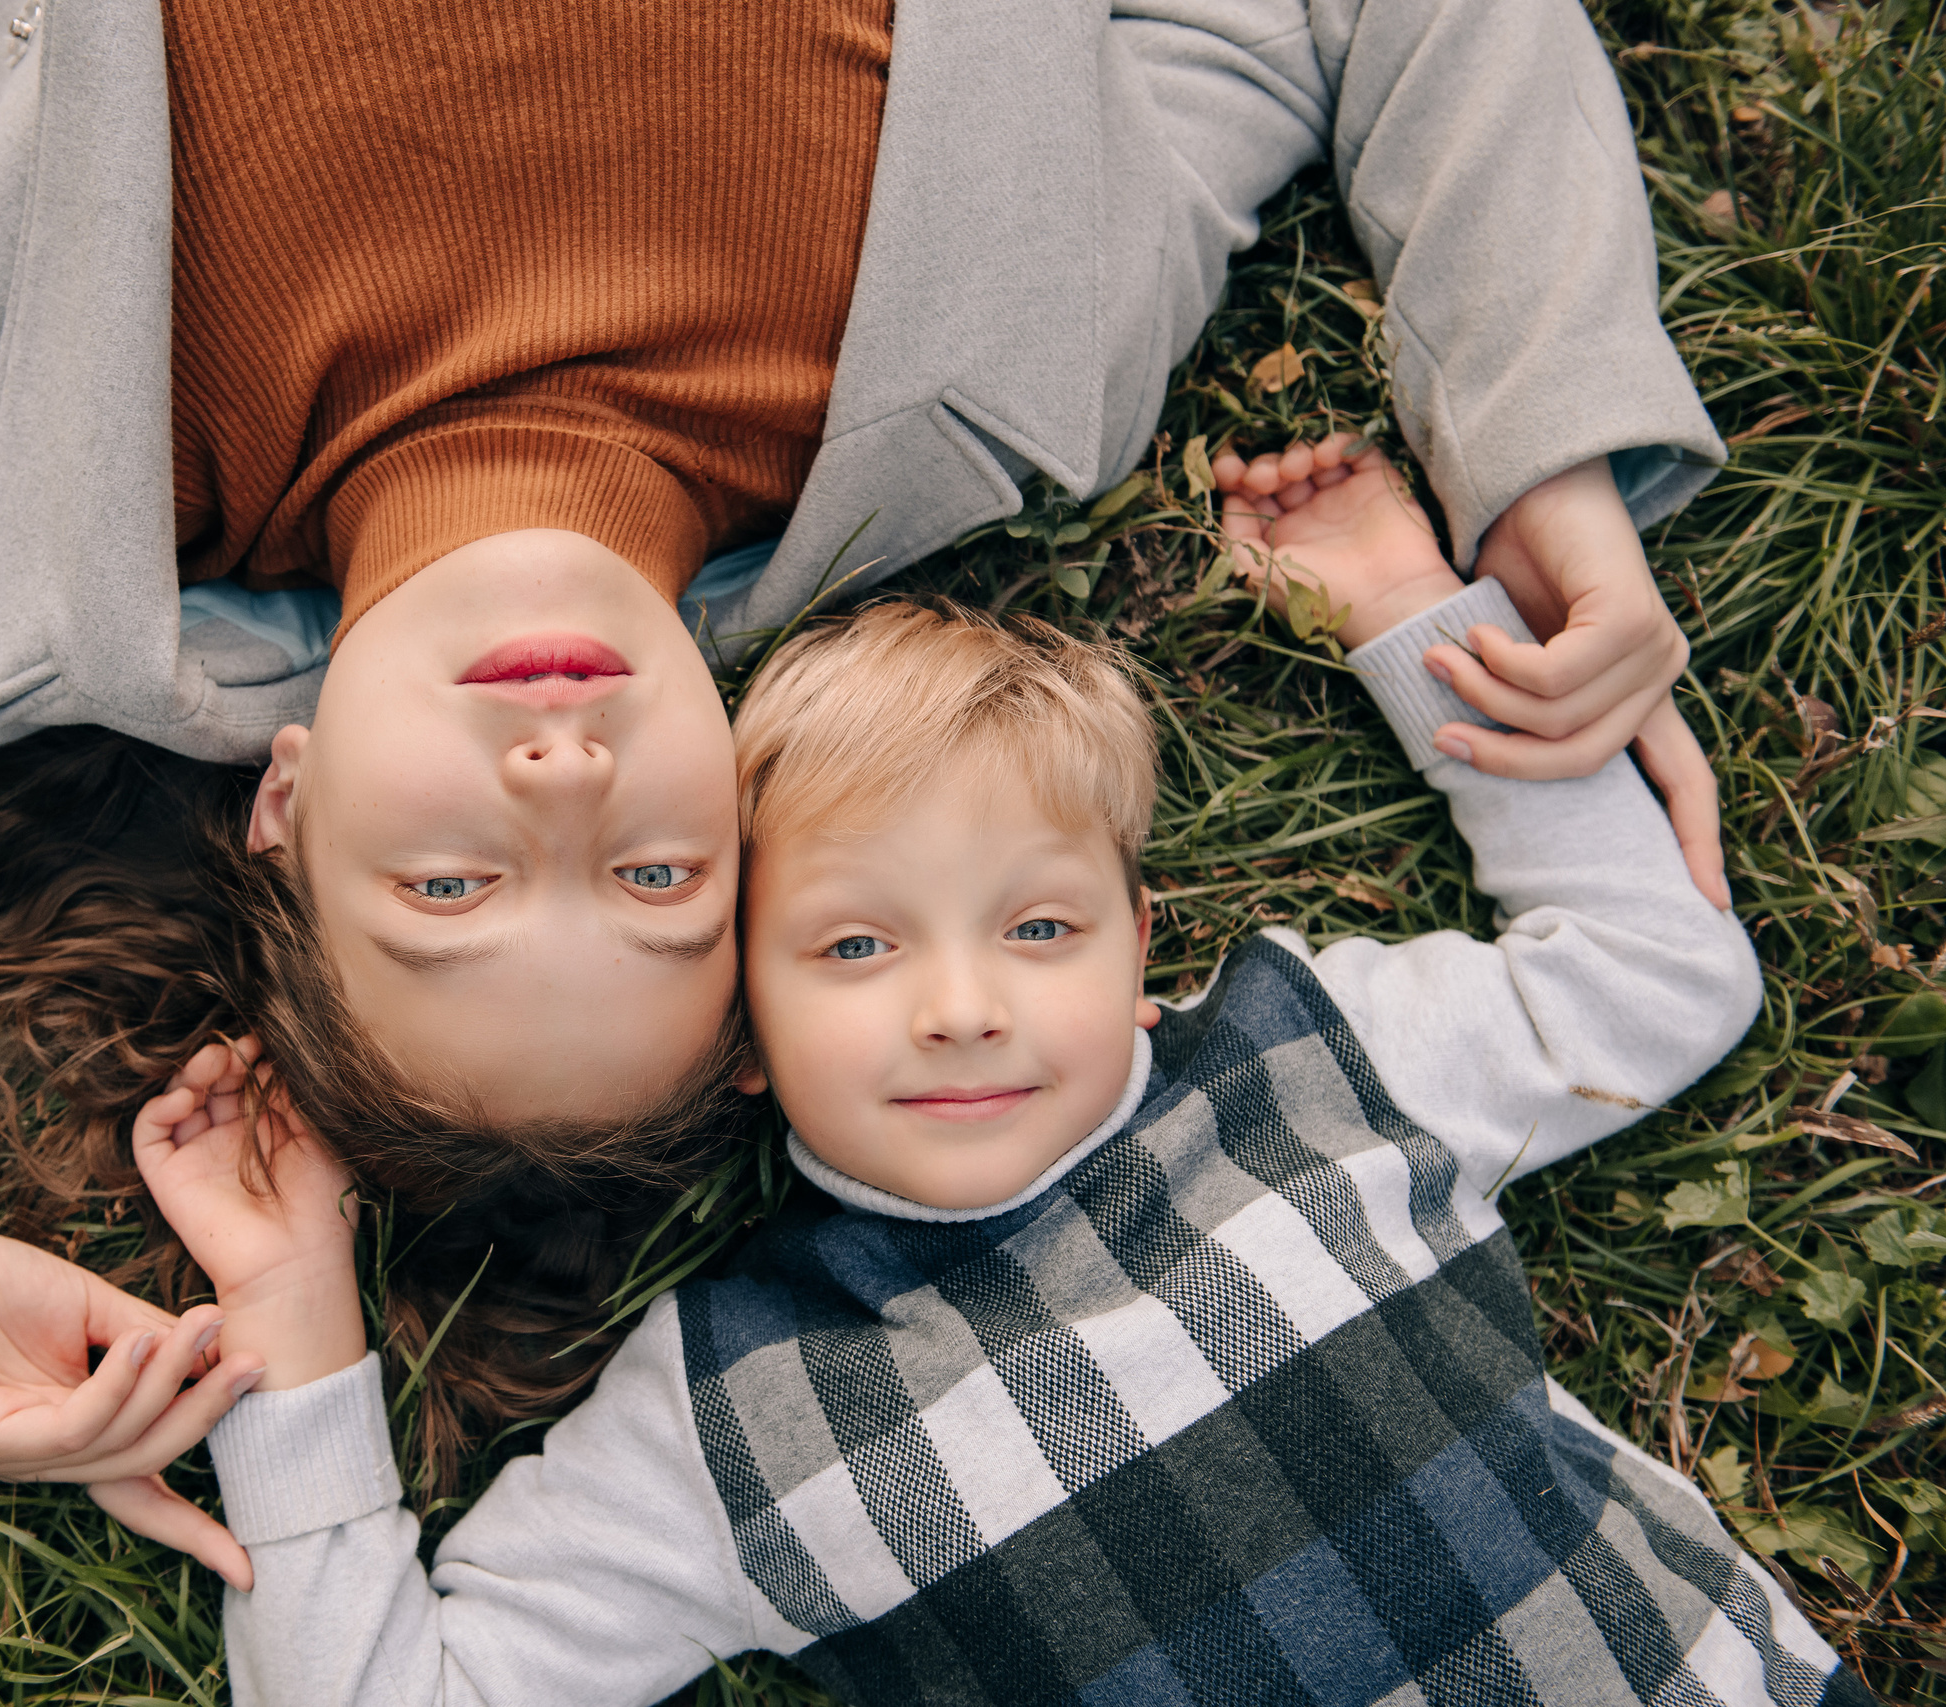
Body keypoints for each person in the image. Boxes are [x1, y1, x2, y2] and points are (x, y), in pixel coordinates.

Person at [0, 0, 1730, 1570]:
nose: (555, 757)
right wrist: (1539, 461)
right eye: (645, 865)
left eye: (446, 875)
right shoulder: (1015, 360)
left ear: (282, 808)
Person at [125, 442, 1851, 1706]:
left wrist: (1411, 615)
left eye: (1039, 929)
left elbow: (1657, 979)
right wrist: (293, 1315)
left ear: (1139, 938)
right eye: (858, 950)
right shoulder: (729, 1423)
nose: (962, 1011)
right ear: (739, 1033)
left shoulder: (1320, 1066)